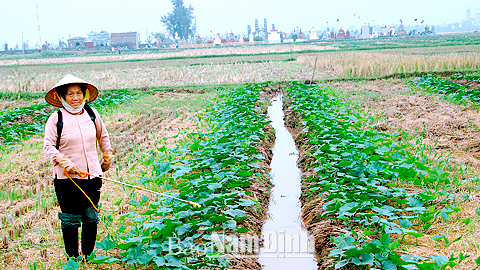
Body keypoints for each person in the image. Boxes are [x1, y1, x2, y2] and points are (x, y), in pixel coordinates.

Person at [43, 74, 114, 260]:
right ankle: (73, 259)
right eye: (70, 94)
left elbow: (103, 137)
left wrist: (107, 155)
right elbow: (48, 146)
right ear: (62, 97)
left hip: (92, 175)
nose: (75, 98)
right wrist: (64, 161)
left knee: (91, 217)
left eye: (79, 93)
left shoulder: (92, 114)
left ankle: (89, 255)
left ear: (85, 94)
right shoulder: (56, 118)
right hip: (67, 179)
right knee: (71, 220)